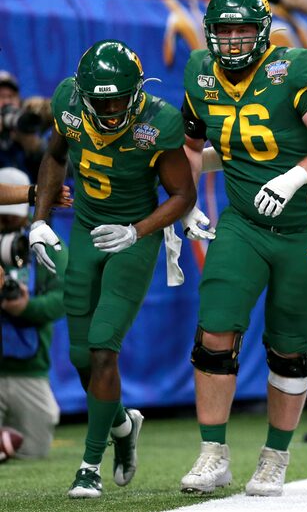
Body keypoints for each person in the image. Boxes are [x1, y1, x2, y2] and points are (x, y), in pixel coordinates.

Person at [179, 0, 307, 497]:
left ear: (263, 32)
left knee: (290, 350)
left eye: (242, 30)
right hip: (244, 223)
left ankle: (275, 456)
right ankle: (212, 453)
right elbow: (190, 145)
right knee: (214, 332)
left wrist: (294, 177)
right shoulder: (199, 72)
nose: (231, 41)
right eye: (222, 31)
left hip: (303, 230)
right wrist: (182, 207)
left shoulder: (291, 69)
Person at [29, 39, 196, 497]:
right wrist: (40, 222)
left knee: (104, 349)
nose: (109, 109)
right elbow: (56, 156)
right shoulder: (67, 102)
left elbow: (184, 195)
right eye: (99, 101)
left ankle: (90, 464)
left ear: (137, 92)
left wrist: (138, 231)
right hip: (84, 229)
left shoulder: (157, 120)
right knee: (80, 358)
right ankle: (123, 424)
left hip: (131, 238)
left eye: (118, 99)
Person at [0, 167, 67, 460]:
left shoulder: (44, 244)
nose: (5, 226)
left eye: (10, 219)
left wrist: (27, 307)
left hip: (29, 367)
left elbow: (64, 299)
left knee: (33, 451)